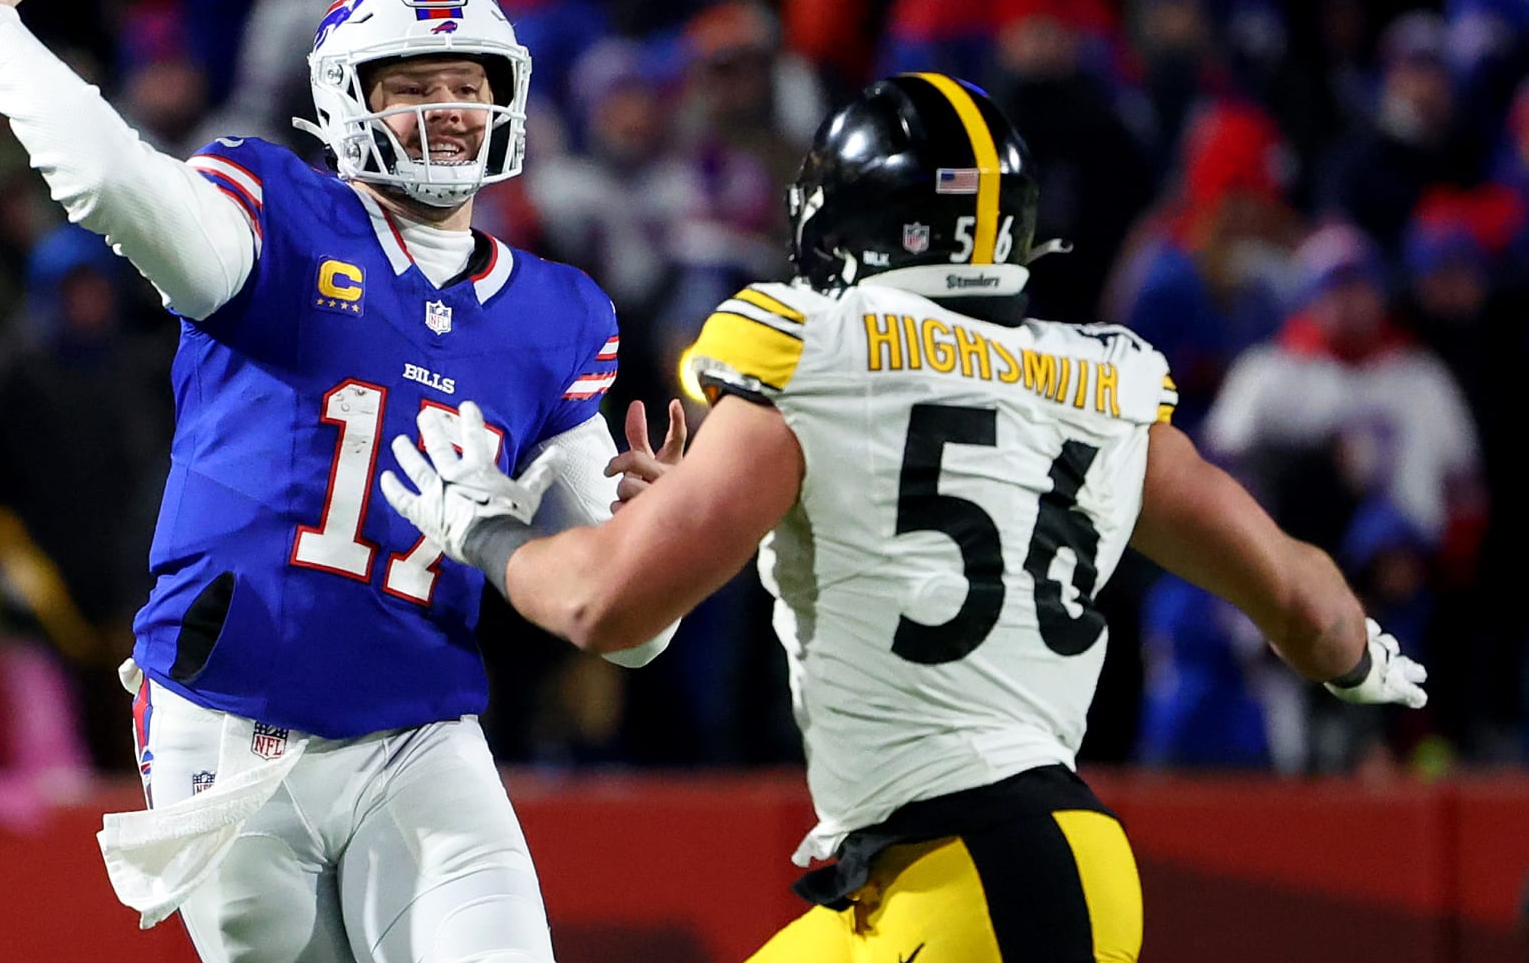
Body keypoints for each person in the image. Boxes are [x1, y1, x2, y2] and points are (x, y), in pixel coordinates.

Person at [381, 72, 1429, 962]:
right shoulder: (1099, 383)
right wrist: (1359, 663)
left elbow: (602, 606)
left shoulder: (813, 346)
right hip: (983, 868)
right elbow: (1306, 603)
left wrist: (484, 526)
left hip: (976, 869)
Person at [0, 0, 678, 963]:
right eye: (413, 86)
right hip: (232, 723)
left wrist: (655, 540)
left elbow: (630, 637)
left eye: (468, 82)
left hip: (420, 727)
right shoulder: (277, 218)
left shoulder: (559, 315)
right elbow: (106, 175)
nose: (449, 107)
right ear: (347, 100)